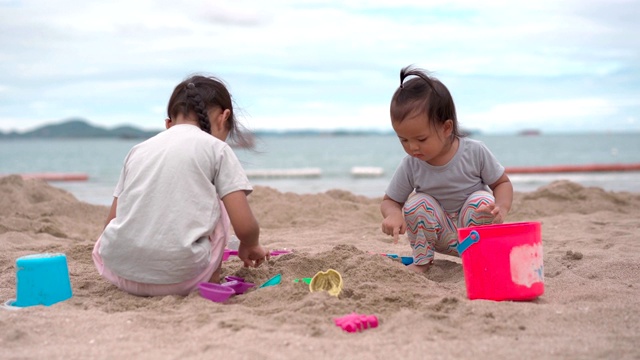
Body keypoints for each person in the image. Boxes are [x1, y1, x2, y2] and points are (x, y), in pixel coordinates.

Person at [92, 74, 269, 296]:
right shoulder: (218, 149)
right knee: (221, 202)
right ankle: (212, 275)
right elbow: (244, 226)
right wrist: (250, 244)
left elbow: (111, 221)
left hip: (121, 274)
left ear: (169, 124)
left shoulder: (137, 150)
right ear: (224, 118)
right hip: (184, 278)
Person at [380, 66, 513, 274]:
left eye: (421, 139)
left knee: (482, 201)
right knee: (416, 202)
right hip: (438, 235)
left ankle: (479, 259)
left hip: (473, 234)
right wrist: (393, 215)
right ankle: (423, 262)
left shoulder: (474, 151)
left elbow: (501, 183)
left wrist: (502, 207)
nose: (412, 147)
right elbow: (390, 200)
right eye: (403, 139)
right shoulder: (411, 164)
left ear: (446, 128)